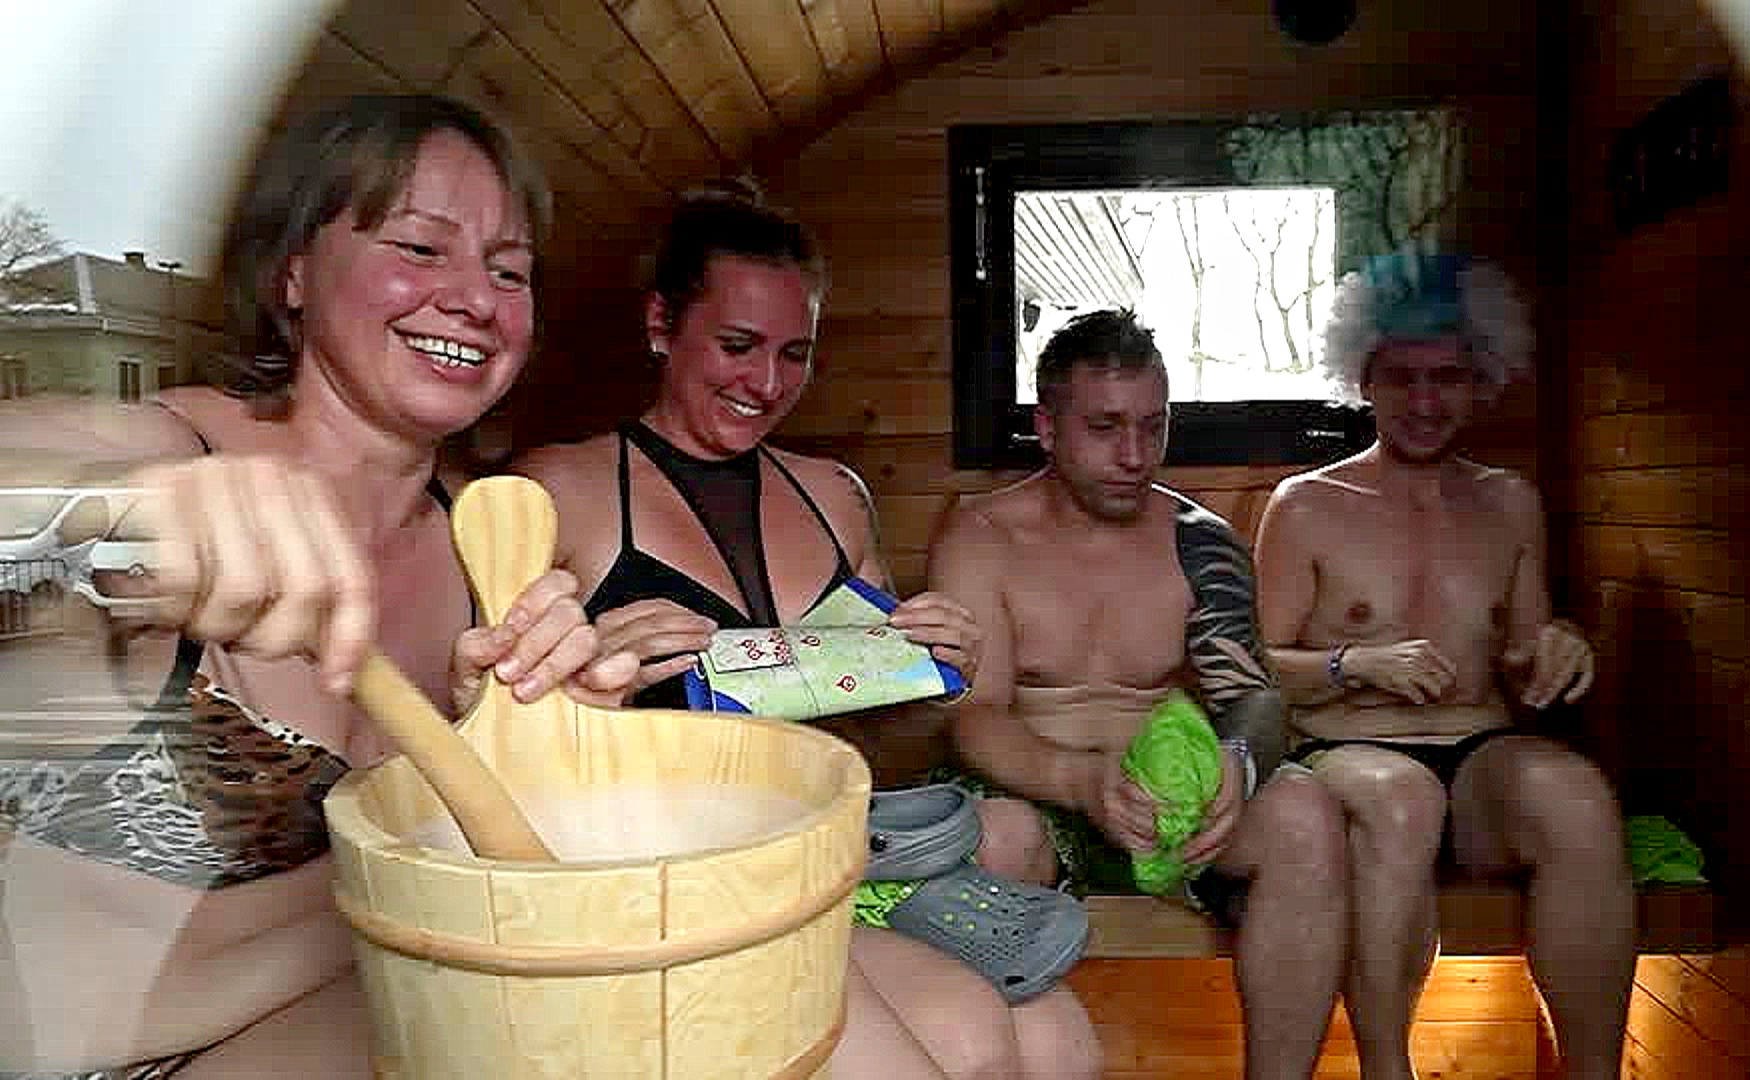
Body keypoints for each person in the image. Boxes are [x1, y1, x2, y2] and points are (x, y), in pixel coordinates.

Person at [0, 95, 639, 1076]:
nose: (476, 298)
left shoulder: (492, 561)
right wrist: (101, 505)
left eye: (509, 271)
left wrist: (535, 745)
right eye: (421, 248)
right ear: (293, 271)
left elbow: (500, 880)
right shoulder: (166, 447)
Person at [512, 184, 1100, 1080]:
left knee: (1062, 1044)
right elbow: (497, 754)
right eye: (738, 346)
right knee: (980, 1051)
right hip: (674, 881)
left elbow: (888, 753)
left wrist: (934, 680)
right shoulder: (558, 490)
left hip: (842, 861)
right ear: (662, 324)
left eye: (796, 354)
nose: (766, 384)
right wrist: (599, 687)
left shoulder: (835, 497)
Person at [925, 308, 1348, 1080]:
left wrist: (1237, 761)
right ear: (1047, 428)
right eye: (1105, 427)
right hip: (1036, 789)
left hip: (1165, 800)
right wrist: (1082, 782)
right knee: (994, 838)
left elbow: (1253, 696)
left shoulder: (1199, 540)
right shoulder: (982, 537)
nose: (1133, 455)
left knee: (1305, 814)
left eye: (1153, 428)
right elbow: (975, 716)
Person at [1252, 254, 1632, 1080]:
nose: (1425, 401)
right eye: (1403, 378)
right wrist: (1353, 664)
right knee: (1401, 799)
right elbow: (1256, 672)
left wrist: (1560, 646)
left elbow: (1526, 660)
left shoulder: (1510, 501)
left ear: (1480, 379)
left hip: (1478, 751)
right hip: (1346, 752)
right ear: (1364, 378)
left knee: (1578, 798)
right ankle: (1389, 1071)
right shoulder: (1306, 505)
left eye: (1448, 377)